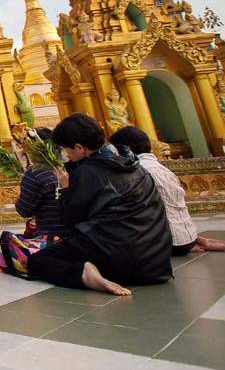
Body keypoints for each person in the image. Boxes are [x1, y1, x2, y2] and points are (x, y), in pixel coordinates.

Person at [26, 113, 172, 296]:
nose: (66, 155)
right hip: (157, 262)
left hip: (122, 260)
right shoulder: (134, 164)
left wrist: (65, 190)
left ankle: (85, 274)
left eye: (66, 150)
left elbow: (70, 223)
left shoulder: (87, 173)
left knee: (38, 260)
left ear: (79, 148)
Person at [110, 125, 225, 256]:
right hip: (186, 236)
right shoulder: (162, 168)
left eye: (116, 151)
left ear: (127, 149)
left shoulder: (136, 171)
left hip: (170, 242)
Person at [14, 128, 72, 240]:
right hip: (73, 233)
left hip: (49, 236)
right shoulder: (68, 168)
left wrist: (18, 200)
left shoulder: (35, 174)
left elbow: (24, 210)